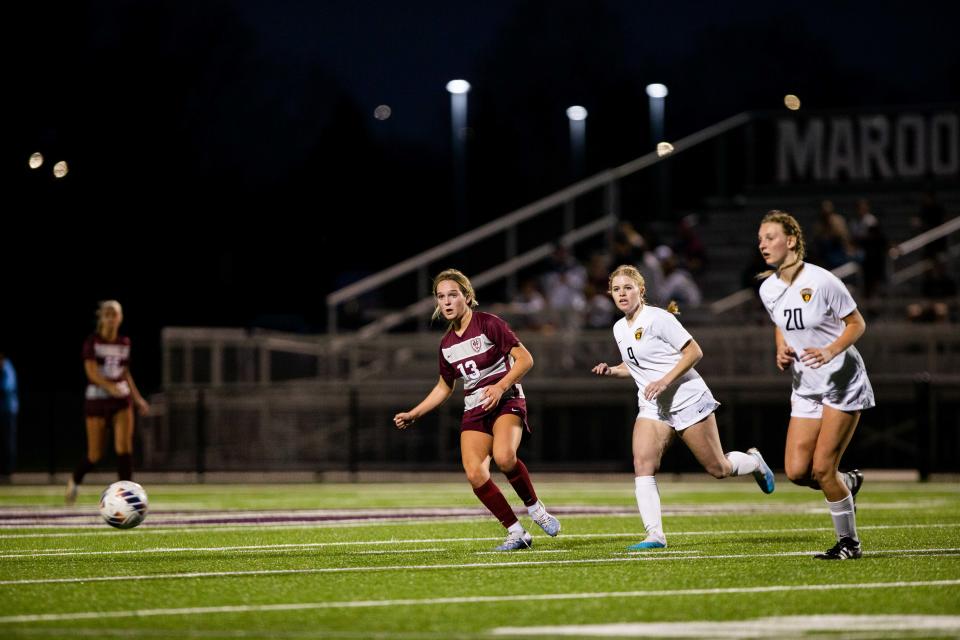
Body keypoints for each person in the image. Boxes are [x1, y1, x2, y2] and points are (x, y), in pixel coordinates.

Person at [591, 265, 775, 551]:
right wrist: (612, 370)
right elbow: (636, 364)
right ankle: (655, 535)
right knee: (643, 463)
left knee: (718, 468)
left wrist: (665, 381)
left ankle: (754, 462)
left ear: (641, 290)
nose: (622, 293)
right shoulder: (619, 328)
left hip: (687, 398)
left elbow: (694, 352)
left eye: (628, 287)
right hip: (653, 405)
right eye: (616, 289)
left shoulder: (659, 318)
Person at [394, 269, 560, 551]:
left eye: (452, 295)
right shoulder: (446, 345)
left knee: (505, 458)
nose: (446, 302)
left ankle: (535, 508)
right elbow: (444, 387)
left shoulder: (489, 324)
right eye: (440, 297)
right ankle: (516, 532)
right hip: (475, 408)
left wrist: (500, 386)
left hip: (506, 399)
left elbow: (525, 359)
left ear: (467, 297)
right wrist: (414, 413)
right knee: (475, 474)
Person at [757, 211, 873, 560]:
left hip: (842, 380)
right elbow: (781, 322)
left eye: (770, 237)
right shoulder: (768, 288)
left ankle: (849, 544)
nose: (763, 244)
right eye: (760, 238)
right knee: (796, 472)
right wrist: (781, 347)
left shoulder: (822, 281)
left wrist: (830, 349)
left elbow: (856, 324)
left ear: (791, 240)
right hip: (805, 384)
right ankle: (847, 483)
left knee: (823, 468)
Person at [66, 300, 150, 505]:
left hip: (121, 399)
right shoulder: (92, 342)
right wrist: (108, 386)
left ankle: (127, 496)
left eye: (115, 314)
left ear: (120, 318)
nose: (112, 318)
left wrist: (137, 398)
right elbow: (91, 372)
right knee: (95, 454)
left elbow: (125, 373)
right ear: (101, 318)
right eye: (108, 314)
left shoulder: (124, 343)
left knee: (124, 447)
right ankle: (75, 480)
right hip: (97, 400)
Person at [0, 352, 18, 482]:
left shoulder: (7, 367)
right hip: (2, 410)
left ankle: (8, 470)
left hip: (9, 410)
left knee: (8, 440)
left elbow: (8, 386)